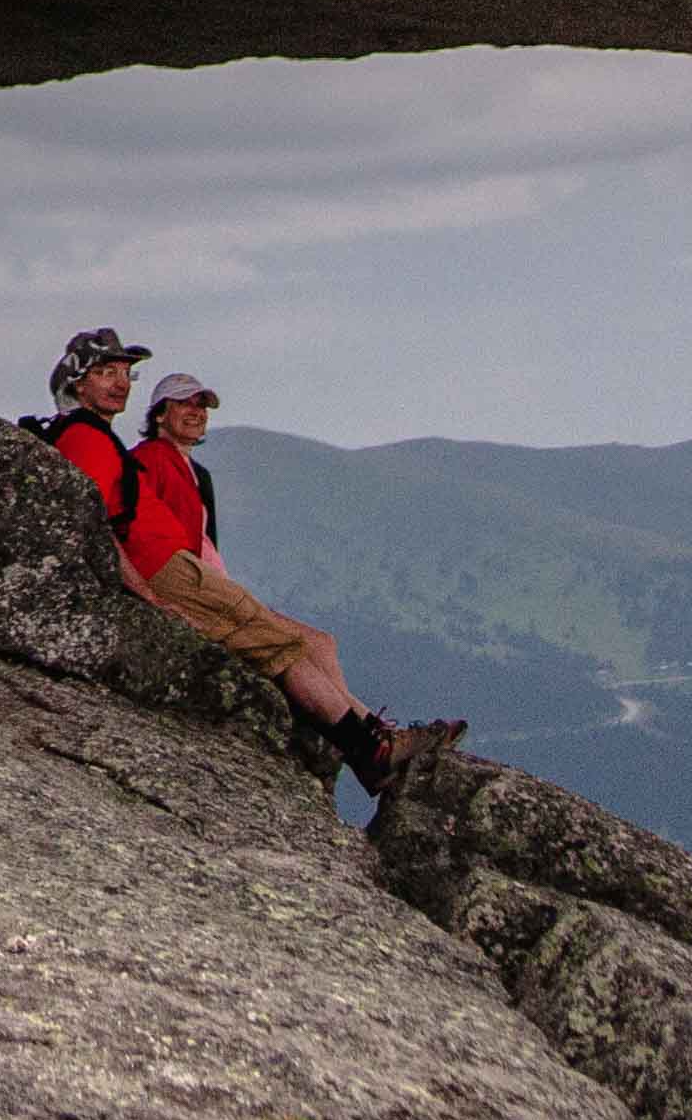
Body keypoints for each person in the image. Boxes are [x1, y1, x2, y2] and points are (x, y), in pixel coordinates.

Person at [36, 330, 464, 793]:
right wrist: (144, 593)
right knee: (286, 647)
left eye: (124, 373)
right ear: (79, 384)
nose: (120, 383)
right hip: (167, 568)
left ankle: (374, 746)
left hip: (172, 567)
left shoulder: (112, 443)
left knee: (292, 644)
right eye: (105, 373)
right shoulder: (92, 441)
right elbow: (94, 523)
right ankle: (374, 750)